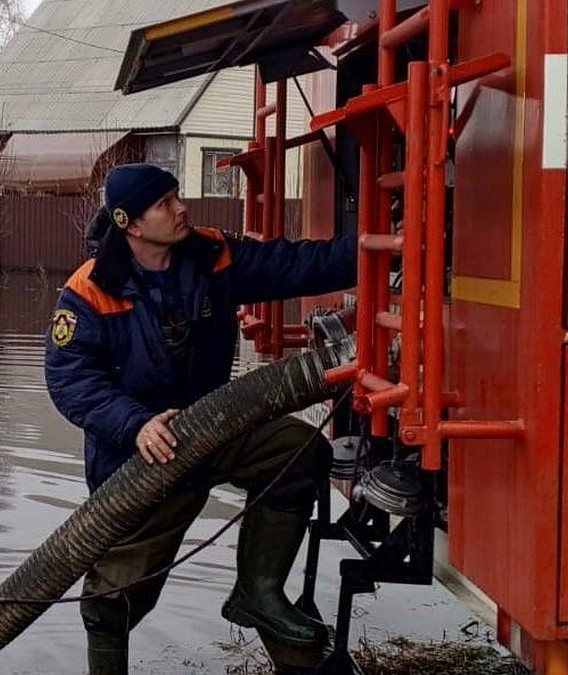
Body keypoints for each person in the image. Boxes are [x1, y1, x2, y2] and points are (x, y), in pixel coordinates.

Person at [44, 163, 357, 673]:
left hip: (213, 428)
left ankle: (260, 592)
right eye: (165, 203)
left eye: (177, 196)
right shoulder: (90, 291)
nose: (181, 207)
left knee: (298, 453)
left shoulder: (211, 254)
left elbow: (294, 265)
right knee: (114, 600)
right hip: (143, 456)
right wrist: (136, 424)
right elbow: (70, 380)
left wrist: (374, 249)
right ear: (132, 224)